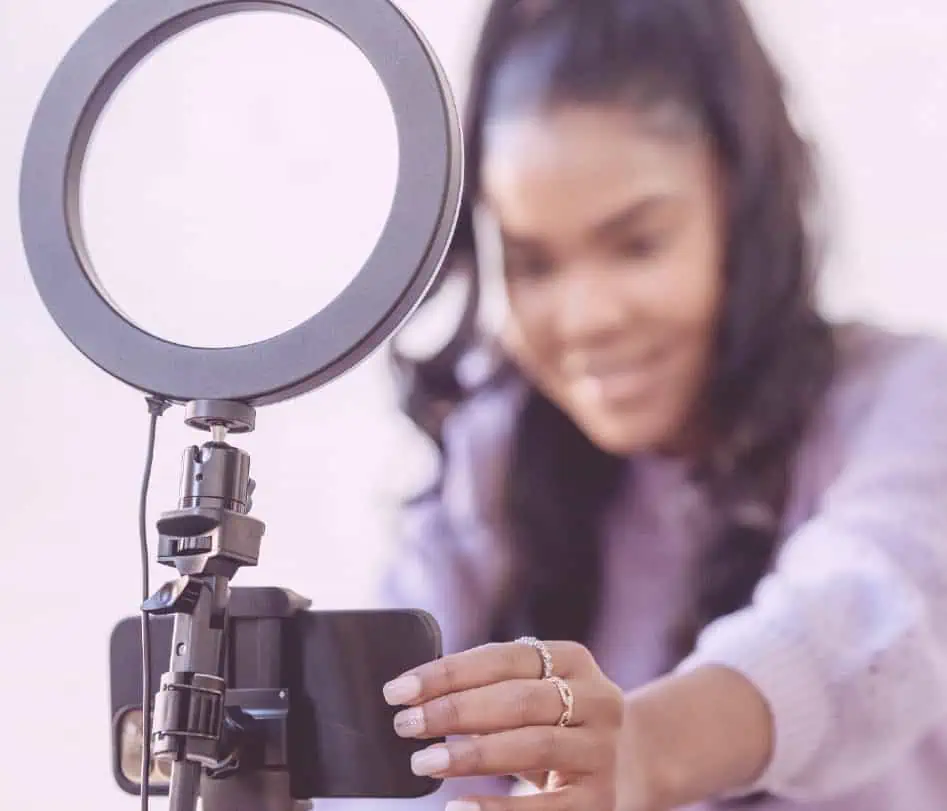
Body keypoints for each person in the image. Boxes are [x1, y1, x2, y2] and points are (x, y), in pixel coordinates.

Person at [360, 1, 947, 809]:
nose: (587, 317)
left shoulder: (910, 399)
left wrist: (643, 751)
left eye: (637, 243)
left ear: (741, 210)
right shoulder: (492, 453)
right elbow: (381, 750)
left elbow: (864, 624)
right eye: (532, 265)